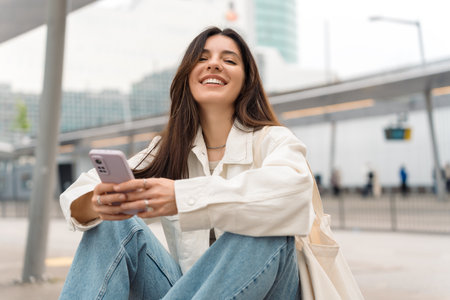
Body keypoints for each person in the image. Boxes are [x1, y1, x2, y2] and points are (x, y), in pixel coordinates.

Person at [59, 27, 314, 299]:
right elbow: (78, 192)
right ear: (188, 76)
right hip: (187, 290)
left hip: (268, 290)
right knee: (112, 222)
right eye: (202, 58)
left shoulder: (273, 140)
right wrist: (98, 203)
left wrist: (183, 197)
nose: (214, 64)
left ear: (246, 81)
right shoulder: (170, 149)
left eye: (228, 60)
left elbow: (294, 196)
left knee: (264, 224)